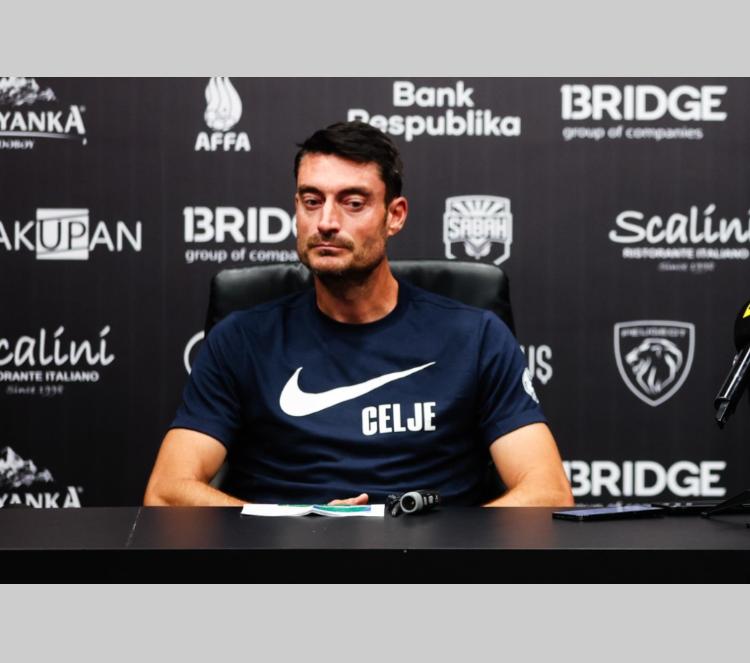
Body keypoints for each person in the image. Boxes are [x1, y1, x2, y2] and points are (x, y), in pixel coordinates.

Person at [144, 121, 574, 508]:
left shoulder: (476, 336)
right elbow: (166, 492)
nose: (326, 221)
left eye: (352, 203)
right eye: (311, 201)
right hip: (283, 558)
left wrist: (443, 538)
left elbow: (548, 491)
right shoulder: (240, 339)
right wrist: (293, 524)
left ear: (395, 216)